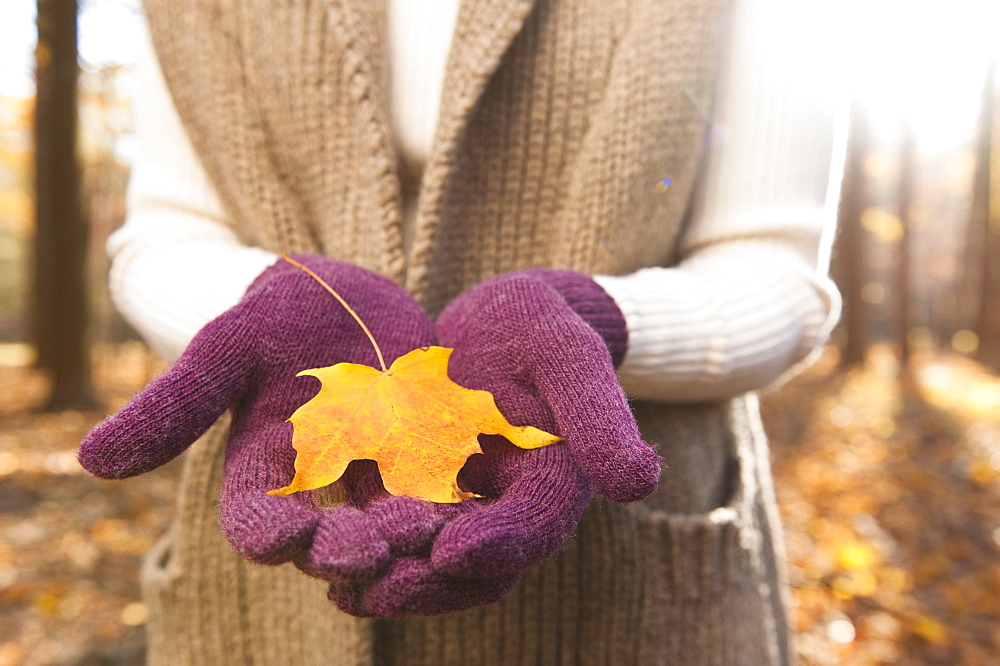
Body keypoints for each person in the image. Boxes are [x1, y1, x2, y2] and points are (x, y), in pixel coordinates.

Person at [79, 0, 846, 663]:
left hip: (631, 601)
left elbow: (777, 278)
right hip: (253, 618)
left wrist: (599, 321)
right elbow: (163, 240)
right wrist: (268, 308)